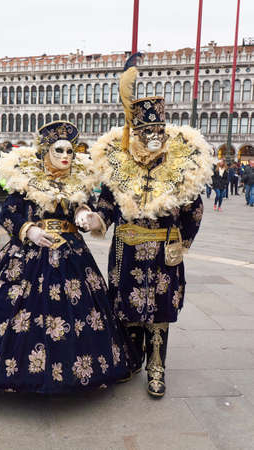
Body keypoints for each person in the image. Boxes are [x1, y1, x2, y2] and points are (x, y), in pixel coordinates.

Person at [0, 120, 137, 394]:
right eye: (59, 151)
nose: (65, 157)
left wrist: (85, 215)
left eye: (70, 152)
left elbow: (85, 208)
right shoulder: (26, 180)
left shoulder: (77, 182)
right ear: (46, 151)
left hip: (71, 255)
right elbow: (8, 212)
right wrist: (29, 230)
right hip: (29, 253)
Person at [76, 57, 214, 398]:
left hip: (163, 251)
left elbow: (193, 208)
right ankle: (131, 360)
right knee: (127, 308)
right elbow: (107, 203)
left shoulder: (182, 166)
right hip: (126, 250)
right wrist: (94, 219)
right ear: (133, 134)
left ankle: (156, 366)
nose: (153, 137)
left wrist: (184, 241)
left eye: (157, 132)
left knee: (160, 312)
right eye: (145, 132)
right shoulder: (119, 167)